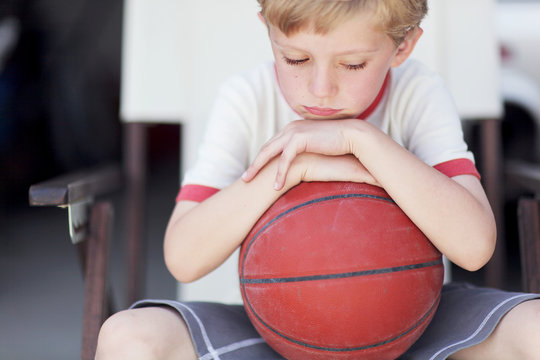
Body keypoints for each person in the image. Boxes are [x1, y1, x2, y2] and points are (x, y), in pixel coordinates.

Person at [95, 1, 540, 359]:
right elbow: (183, 257)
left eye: (352, 65)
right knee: (127, 336)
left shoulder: (417, 92)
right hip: (271, 329)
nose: (320, 88)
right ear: (268, 31)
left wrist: (359, 139)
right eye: (296, 58)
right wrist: (294, 169)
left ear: (402, 47)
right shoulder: (245, 98)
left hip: (416, 323)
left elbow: (474, 246)